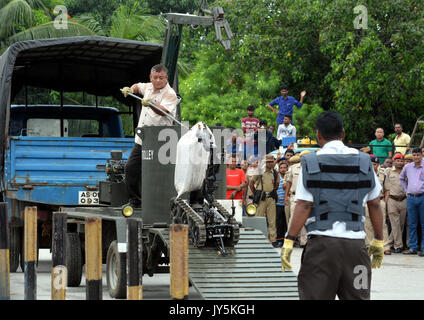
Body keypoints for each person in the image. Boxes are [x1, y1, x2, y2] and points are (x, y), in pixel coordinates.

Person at [281, 111, 384, 300]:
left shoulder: (311, 163)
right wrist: (378, 240)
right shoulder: (364, 162)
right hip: (356, 250)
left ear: (318, 135)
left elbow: (304, 205)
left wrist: (289, 239)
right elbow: (375, 204)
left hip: (321, 250)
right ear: (343, 134)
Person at [121, 64, 179, 207]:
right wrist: (130, 89)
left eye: (161, 78)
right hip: (142, 139)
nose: (158, 80)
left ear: (166, 78)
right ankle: (135, 201)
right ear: (150, 77)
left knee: (156, 174)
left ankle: (160, 202)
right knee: (130, 168)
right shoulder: (147, 87)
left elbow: (163, 111)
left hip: (160, 143)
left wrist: (151, 103)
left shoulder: (170, 94)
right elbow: (137, 86)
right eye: (155, 77)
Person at [249, 154, 280, 246]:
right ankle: (257, 238)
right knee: (258, 218)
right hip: (261, 197)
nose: (270, 163)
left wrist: (272, 190)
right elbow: (251, 183)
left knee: (272, 220)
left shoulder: (275, 172)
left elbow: (277, 184)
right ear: (265, 162)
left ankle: (273, 239)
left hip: (271, 197)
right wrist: (256, 193)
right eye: (268, 162)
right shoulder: (259, 171)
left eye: (272, 161)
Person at [364, 156, 391, 255]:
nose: (372, 166)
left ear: (378, 165)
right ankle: (370, 246)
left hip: (380, 201)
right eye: (371, 164)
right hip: (367, 201)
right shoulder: (364, 174)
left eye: (375, 164)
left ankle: (385, 246)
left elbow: (387, 189)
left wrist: (386, 201)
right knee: (368, 225)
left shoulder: (383, 174)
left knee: (382, 224)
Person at [399, 148, 424, 256]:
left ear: (422, 155)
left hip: (423, 197)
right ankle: (413, 248)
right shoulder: (407, 167)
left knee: (423, 224)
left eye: (418, 155)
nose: (416, 157)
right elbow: (401, 178)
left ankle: (423, 248)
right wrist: (406, 190)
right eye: (414, 155)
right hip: (411, 198)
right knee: (412, 224)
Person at [284, 151, 310, 247]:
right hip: (295, 196)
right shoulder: (293, 168)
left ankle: (304, 241)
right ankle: (289, 240)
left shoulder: (311, 168)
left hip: (307, 196)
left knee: (305, 219)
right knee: (293, 219)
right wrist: (286, 196)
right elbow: (288, 183)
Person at [384, 154, 407, 253]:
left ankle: (390, 242)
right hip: (392, 199)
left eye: (401, 161)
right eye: (397, 161)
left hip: (404, 199)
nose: (399, 163)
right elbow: (387, 188)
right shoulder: (389, 171)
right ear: (394, 162)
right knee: (394, 223)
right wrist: (386, 201)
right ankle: (398, 246)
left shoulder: (407, 172)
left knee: (401, 224)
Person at [275, 162, 289, 247]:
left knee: (286, 223)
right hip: (278, 203)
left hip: (287, 203)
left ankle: (286, 240)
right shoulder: (277, 177)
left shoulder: (288, 177)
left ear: (287, 168)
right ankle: (279, 240)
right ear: (279, 169)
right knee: (279, 223)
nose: (283, 169)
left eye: (285, 167)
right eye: (281, 168)